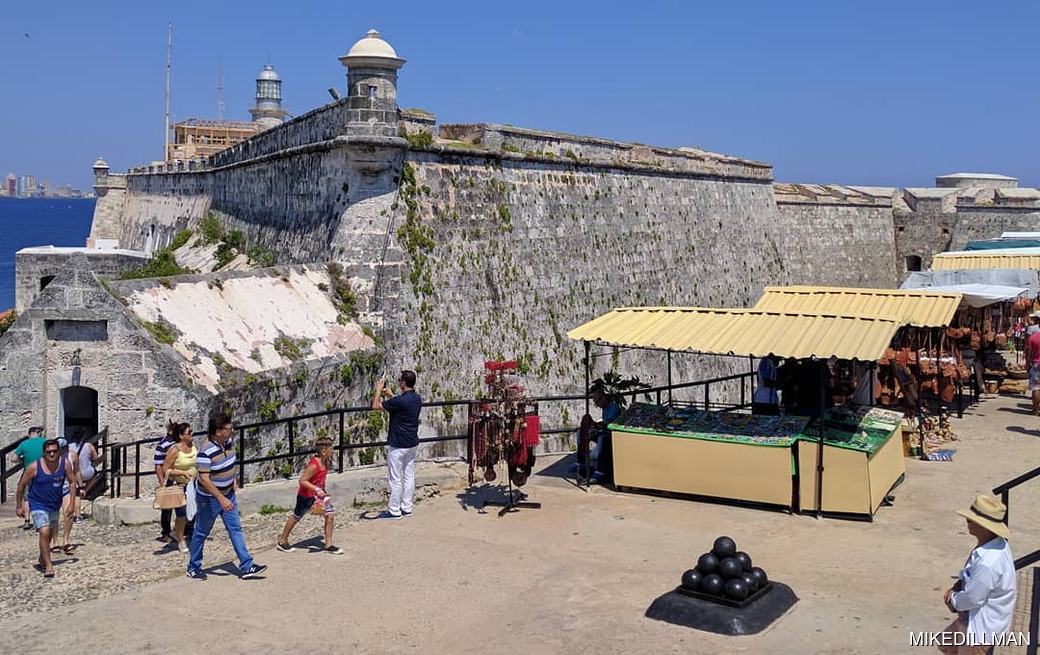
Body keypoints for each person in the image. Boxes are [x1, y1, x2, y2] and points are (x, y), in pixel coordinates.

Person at [187, 412, 266, 580]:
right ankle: (194, 566)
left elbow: (230, 462)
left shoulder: (227, 442)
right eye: (228, 428)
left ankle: (246, 565)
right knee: (201, 532)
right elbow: (204, 479)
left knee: (235, 529)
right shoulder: (205, 451)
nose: (232, 431)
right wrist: (220, 499)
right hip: (209, 499)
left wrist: (233, 480)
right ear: (218, 431)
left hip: (228, 493)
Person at [939, 494, 1017, 654]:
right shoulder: (993, 545)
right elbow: (971, 575)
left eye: (971, 519)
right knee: (945, 644)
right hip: (976, 621)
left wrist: (952, 600)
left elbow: (973, 598)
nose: (967, 522)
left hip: (979, 630)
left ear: (984, 526)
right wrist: (958, 585)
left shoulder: (987, 562)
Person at [14, 438, 78, 578]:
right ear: (44, 453)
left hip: (54, 503)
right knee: (44, 531)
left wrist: (72, 503)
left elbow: (72, 482)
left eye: (55, 451)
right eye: (49, 452)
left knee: (48, 534)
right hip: (37, 503)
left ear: (59, 452)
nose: (52, 454)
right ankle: (48, 565)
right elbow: (21, 486)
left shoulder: (64, 464)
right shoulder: (34, 467)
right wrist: (19, 506)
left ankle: (43, 557)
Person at [276, 438, 343, 554]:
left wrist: (322, 491)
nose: (333, 450)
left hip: (319, 496)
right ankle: (282, 541)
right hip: (306, 496)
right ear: (323, 451)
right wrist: (317, 489)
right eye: (331, 448)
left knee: (330, 515)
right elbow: (302, 481)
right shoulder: (314, 466)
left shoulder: (325, 461)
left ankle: (328, 544)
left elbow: (320, 480)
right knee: (296, 516)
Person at [372, 370, 422, 520]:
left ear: (403, 383)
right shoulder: (416, 398)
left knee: (395, 479)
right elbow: (400, 404)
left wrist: (379, 391)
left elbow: (375, 406)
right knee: (409, 476)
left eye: (400, 380)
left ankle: (394, 510)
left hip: (398, 444)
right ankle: (407, 507)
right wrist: (391, 395)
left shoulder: (399, 401)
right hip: (412, 443)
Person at [162, 422, 197, 554]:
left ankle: (177, 531)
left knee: (193, 512)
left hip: (193, 485)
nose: (192, 434)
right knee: (182, 514)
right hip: (179, 486)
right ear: (182, 436)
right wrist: (182, 473)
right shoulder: (174, 450)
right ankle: (181, 539)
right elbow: (166, 469)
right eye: (189, 432)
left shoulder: (192, 446)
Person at [53, 437, 82, 555]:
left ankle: (66, 540)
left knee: (69, 513)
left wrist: (81, 486)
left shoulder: (72, 456)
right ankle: (55, 541)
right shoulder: (50, 458)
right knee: (53, 516)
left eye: (64, 449)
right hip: (53, 489)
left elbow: (77, 472)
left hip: (67, 488)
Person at [13, 426, 45, 530]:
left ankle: (27, 520)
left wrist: (22, 461)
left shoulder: (24, 444)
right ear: (38, 433)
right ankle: (39, 521)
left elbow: (13, 459)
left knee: (27, 497)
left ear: (29, 434)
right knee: (41, 496)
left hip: (28, 473)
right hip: (42, 472)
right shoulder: (45, 442)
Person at [154, 420, 179, 543]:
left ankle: (185, 529)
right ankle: (166, 532)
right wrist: (162, 482)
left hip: (180, 477)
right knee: (167, 507)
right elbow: (158, 465)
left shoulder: (180, 443)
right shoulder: (163, 445)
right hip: (168, 478)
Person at [1025, 316, 1040, 415]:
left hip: (1036, 364)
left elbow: (1029, 353)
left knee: (1036, 387)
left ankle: (1035, 409)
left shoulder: (1033, 338)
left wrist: (1027, 364)